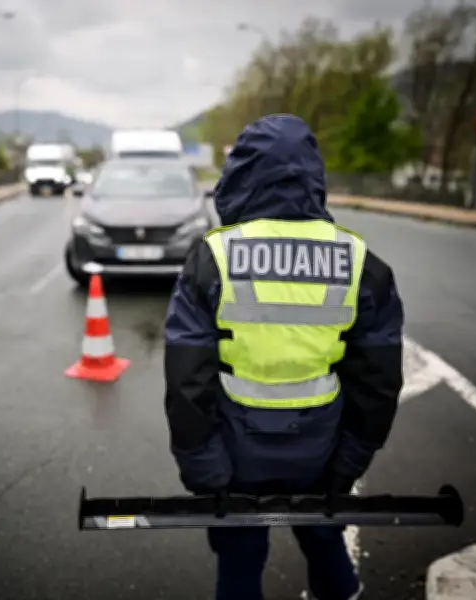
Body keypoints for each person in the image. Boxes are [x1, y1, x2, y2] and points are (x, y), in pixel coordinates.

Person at [163, 114, 404, 600]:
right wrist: (348, 464)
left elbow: (187, 378)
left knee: (239, 560)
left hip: (234, 456)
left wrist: (205, 470)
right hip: (321, 453)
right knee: (324, 541)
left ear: (241, 173)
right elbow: (377, 382)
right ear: (315, 177)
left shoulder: (213, 258)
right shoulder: (359, 262)